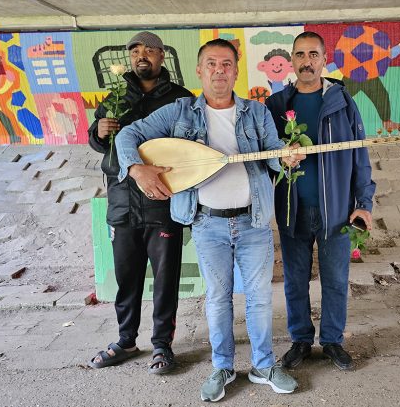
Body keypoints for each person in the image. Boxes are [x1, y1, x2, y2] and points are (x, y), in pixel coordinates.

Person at [114, 38, 303, 402]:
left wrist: (287, 157)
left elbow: (272, 155)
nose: (219, 70)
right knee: (217, 299)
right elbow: (128, 134)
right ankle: (222, 367)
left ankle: (263, 366)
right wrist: (137, 169)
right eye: (212, 64)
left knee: (260, 299)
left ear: (235, 71)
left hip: (254, 222)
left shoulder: (256, 112)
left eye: (227, 64)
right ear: (200, 70)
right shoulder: (179, 112)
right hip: (207, 225)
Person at [265, 31, 376, 371]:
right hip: (292, 209)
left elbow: (359, 154)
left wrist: (363, 203)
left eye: (313, 54)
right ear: (292, 61)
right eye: (300, 54)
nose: (307, 61)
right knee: (295, 281)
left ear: (324, 60)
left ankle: (332, 341)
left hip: (337, 210)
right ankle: (300, 340)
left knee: (336, 280)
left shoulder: (342, 102)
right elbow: (265, 157)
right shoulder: (277, 105)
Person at [87, 31, 193, 375]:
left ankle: (162, 344)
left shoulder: (180, 98)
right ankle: (126, 340)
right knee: (126, 277)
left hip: (163, 199)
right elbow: (100, 144)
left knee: (165, 279)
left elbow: (190, 146)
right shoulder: (116, 95)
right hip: (122, 200)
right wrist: (99, 131)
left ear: (163, 56)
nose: (141, 55)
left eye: (149, 49)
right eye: (135, 50)